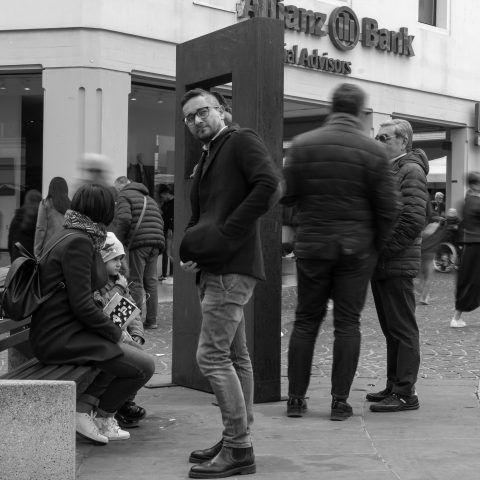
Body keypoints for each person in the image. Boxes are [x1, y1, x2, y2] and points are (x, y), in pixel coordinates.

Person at [282, 83, 399, 421]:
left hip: (314, 246)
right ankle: (339, 402)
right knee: (348, 324)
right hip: (356, 249)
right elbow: (389, 208)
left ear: (330, 107)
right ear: (361, 112)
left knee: (306, 321)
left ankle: (295, 398)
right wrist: (374, 245)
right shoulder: (373, 151)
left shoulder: (303, 146)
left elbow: (287, 197)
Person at [179, 88, 280, 478]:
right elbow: (203, 213)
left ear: (221, 110)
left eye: (203, 112)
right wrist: (193, 249)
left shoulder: (239, 140)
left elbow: (269, 185)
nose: (197, 120)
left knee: (212, 357)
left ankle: (239, 448)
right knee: (235, 357)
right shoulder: (210, 154)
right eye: (190, 118)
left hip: (230, 267)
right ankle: (235, 434)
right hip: (213, 266)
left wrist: (227, 233)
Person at [29, 183, 155, 445]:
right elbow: (82, 305)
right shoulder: (78, 241)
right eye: (113, 205)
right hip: (60, 336)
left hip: (66, 330)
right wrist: (117, 333)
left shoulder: (75, 234)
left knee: (132, 358)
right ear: (103, 209)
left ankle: (93, 412)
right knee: (143, 366)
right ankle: (91, 413)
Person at [367, 119, 429, 413]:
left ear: (403, 141)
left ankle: (405, 393)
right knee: (392, 329)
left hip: (395, 262)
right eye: (377, 137)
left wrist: (382, 251)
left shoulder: (410, 170)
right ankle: (394, 385)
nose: (378, 141)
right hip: (383, 263)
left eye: (384, 137)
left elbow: (414, 219)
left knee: (403, 329)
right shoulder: (392, 169)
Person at [92, 231, 148, 428]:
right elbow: (106, 312)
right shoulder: (99, 284)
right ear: (102, 260)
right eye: (114, 258)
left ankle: (125, 401)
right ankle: (119, 403)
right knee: (134, 360)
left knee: (138, 353)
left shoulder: (120, 281)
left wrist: (137, 334)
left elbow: (133, 312)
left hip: (121, 334)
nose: (118, 263)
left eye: (120, 258)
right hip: (108, 335)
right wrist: (119, 289)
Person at [113, 175, 165, 329]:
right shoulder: (148, 197)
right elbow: (159, 219)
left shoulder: (124, 195)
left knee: (135, 281)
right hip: (156, 241)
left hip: (140, 243)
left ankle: (134, 321)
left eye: (117, 190)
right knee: (151, 281)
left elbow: (123, 219)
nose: (117, 194)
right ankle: (152, 320)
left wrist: (118, 242)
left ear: (121, 186)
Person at [450, 172, 480, 328]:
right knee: (469, 280)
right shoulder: (475, 202)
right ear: (475, 184)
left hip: (470, 244)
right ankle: (456, 317)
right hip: (474, 244)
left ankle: (457, 315)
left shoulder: (466, 201)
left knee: (468, 279)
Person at [34, 176, 71, 258]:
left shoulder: (45, 204)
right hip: (66, 248)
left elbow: (40, 229)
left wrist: (37, 251)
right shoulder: (70, 205)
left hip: (49, 249)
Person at [418, 202, 444, 305]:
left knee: (421, 275)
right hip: (430, 254)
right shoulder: (439, 230)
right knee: (428, 276)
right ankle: (424, 297)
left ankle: (422, 293)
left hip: (421, 252)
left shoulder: (425, 229)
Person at [8, 189, 42, 261]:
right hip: (32, 263)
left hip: (17, 263)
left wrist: (13, 260)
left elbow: (10, 242)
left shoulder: (17, 218)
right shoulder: (40, 220)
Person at [157, 184, 174, 280]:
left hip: (170, 231)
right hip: (165, 230)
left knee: (170, 252)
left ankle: (171, 274)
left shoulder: (174, 203)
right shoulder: (166, 204)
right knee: (165, 251)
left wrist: (171, 229)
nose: (162, 199)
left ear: (166, 193)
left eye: (162, 196)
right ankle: (164, 274)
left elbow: (173, 218)